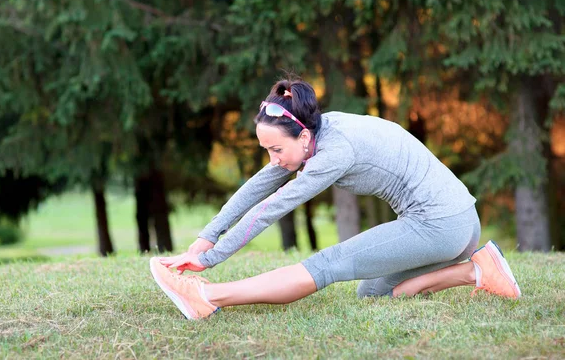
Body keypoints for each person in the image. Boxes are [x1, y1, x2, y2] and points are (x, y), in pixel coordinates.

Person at [149, 78, 521, 320]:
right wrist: (205, 239)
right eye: (266, 149)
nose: (273, 160)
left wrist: (209, 262)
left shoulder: (334, 152)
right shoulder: (313, 129)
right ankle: (477, 269)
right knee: (375, 293)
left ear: (302, 136)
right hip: (461, 222)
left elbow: (272, 207)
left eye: (276, 149)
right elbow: (259, 185)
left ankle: (209, 298)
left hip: (439, 224)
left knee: (327, 265)